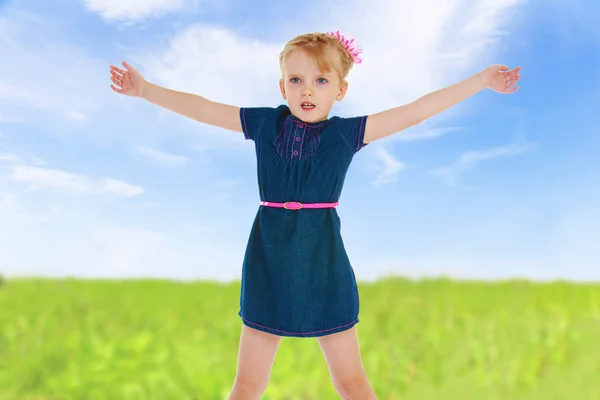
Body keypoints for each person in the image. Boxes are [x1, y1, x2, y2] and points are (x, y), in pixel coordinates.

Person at [109, 30, 521, 400]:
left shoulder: (345, 134)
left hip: (324, 268)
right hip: (268, 264)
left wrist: (481, 81)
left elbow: (415, 111)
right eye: (297, 79)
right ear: (282, 86)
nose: (308, 90)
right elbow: (203, 108)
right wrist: (145, 90)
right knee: (247, 386)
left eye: (321, 80)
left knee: (352, 384)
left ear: (340, 90)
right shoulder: (265, 124)